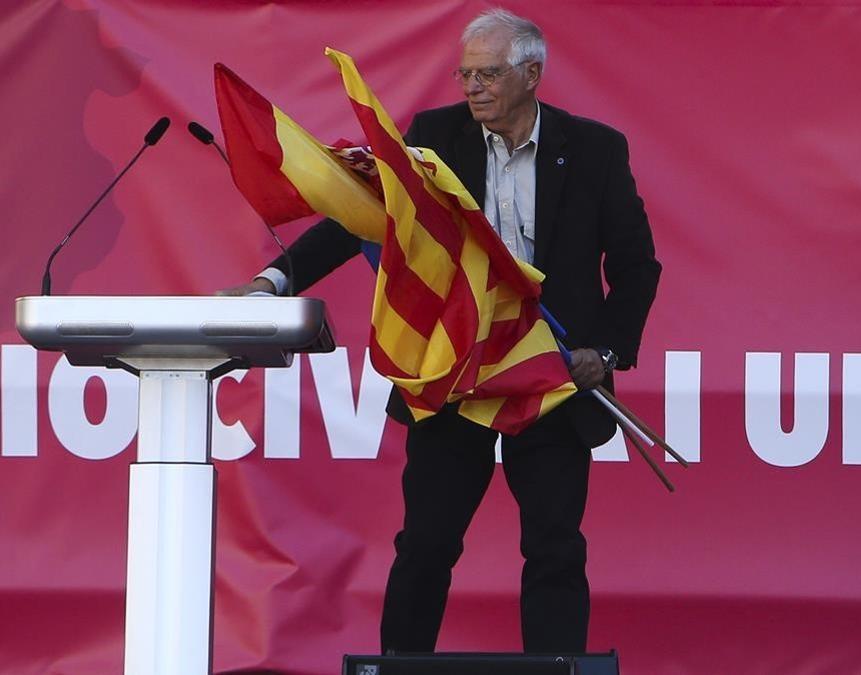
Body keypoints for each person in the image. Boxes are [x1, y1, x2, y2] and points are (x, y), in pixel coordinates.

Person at [222, 8, 660, 654]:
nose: (472, 87)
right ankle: (400, 666)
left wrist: (607, 351)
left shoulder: (595, 150)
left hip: (551, 376)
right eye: (465, 74)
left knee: (554, 546)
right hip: (454, 376)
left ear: (532, 74)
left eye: (488, 74)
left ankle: (556, 670)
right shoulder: (434, 139)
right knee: (426, 542)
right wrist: (271, 283)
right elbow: (358, 218)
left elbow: (635, 264)